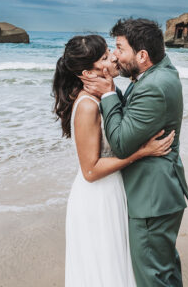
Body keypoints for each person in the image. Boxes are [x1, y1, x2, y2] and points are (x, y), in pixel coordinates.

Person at [52, 34, 176, 287]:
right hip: (98, 198)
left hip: (115, 190)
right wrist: (141, 152)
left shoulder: (105, 95)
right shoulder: (87, 105)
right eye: (104, 57)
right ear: (88, 72)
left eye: (110, 51)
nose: (113, 58)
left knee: (120, 265)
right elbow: (90, 170)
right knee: (105, 269)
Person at [81, 18, 188, 287]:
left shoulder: (153, 86)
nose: (115, 56)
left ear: (142, 55)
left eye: (119, 48)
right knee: (164, 272)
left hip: (151, 198)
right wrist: (113, 92)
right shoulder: (155, 74)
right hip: (161, 195)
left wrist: (108, 95)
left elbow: (120, 143)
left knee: (152, 278)